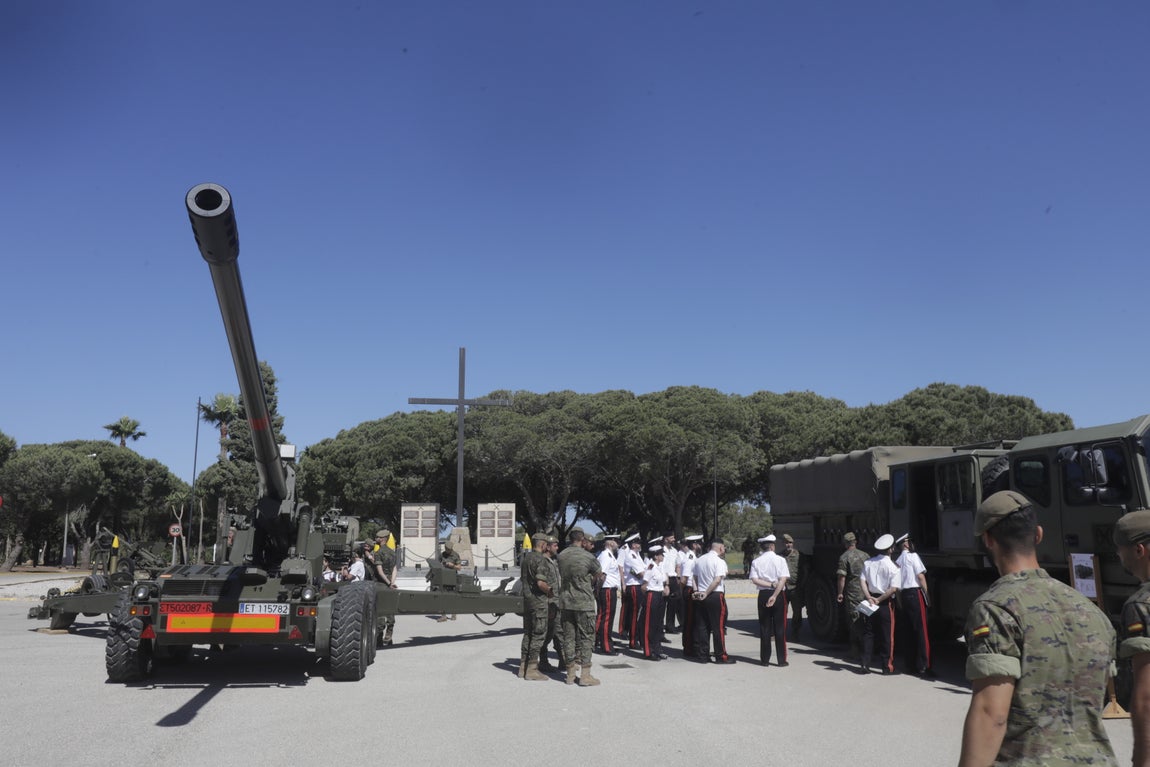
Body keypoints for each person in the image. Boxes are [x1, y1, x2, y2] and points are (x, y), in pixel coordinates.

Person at [958, 491, 1117, 766]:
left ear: (987, 540)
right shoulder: (1090, 610)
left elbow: (991, 714)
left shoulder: (995, 608)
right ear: (1039, 534)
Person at [1114, 510, 1150, 767]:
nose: (1118, 555)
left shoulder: (1141, 605)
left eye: (1121, 548)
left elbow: (1147, 696)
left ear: (1139, 550)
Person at [558, 530, 604, 685]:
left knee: (568, 638)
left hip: (565, 601)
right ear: (582, 540)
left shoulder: (561, 555)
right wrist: (588, 580)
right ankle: (585, 675)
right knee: (586, 637)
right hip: (584, 602)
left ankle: (570, 674)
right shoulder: (588, 557)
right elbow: (598, 574)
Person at [860, 534, 899, 675]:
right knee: (887, 635)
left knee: (868, 633)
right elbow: (893, 589)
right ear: (890, 549)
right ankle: (886, 667)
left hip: (870, 601)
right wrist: (880, 599)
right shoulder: (893, 566)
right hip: (885, 603)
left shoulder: (868, 562)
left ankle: (865, 664)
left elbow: (862, 581)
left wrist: (869, 597)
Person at [749, 534, 790, 667]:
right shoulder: (780, 560)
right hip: (778, 595)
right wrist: (775, 593)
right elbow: (783, 579)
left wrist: (770, 586)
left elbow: (755, 580)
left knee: (764, 627)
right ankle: (781, 659)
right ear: (772, 546)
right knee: (780, 627)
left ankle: (765, 659)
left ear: (763, 547)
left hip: (763, 594)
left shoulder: (756, 561)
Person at [894, 533, 932, 676]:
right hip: (915, 594)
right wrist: (927, 596)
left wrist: (899, 600)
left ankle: (909, 665)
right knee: (921, 631)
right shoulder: (913, 557)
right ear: (905, 544)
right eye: (909, 541)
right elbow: (921, 577)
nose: (911, 544)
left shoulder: (897, 561)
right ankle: (924, 665)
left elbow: (896, 585)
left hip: (904, 595)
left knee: (908, 631)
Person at [692, 540, 733, 664]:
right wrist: (707, 593)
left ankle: (703, 655)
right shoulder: (719, 561)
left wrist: (697, 591)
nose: (724, 549)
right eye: (724, 547)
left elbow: (694, 577)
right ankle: (721, 656)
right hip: (714, 595)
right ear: (720, 548)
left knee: (703, 627)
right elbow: (716, 580)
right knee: (718, 627)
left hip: (701, 594)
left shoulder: (699, 560)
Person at [519, 534, 553, 681]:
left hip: (527, 601)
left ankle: (523, 666)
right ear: (543, 544)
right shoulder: (540, 559)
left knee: (528, 634)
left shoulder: (526, 558)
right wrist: (550, 591)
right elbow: (540, 583)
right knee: (538, 635)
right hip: (538, 602)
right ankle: (532, 669)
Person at [836, 532, 868, 668]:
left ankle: (856, 651)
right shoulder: (865, 555)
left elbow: (842, 577)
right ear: (855, 542)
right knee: (866, 619)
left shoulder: (844, 557)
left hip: (852, 594)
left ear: (845, 543)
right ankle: (868, 648)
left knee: (854, 622)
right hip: (866, 592)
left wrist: (840, 593)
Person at [365, 529, 398, 647]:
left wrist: (388, 583)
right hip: (390, 583)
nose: (376, 539)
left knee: (379, 611)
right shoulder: (393, 552)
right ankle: (389, 636)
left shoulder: (378, 553)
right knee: (390, 610)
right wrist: (392, 582)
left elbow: (379, 571)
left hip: (381, 583)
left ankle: (378, 638)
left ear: (383, 539)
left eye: (378, 538)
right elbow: (394, 569)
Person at [538, 535, 566, 673]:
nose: (557, 548)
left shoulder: (554, 561)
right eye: (555, 545)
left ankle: (563, 661)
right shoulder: (543, 561)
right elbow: (541, 584)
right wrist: (549, 601)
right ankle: (543, 662)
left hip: (557, 603)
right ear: (547, 546)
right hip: (549, 604)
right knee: (546, 634)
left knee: (559, 632)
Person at [640, 545, 670, 660]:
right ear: (656, 556)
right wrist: (648, 597)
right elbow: (644, 586)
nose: (663, 556)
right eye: (661, 554)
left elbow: (664, 578)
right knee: (649, 625)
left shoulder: (660, 565)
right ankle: (648, 651)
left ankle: (657, 649)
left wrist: (666, 586)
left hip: (660, 595)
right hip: (651, 595)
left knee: (658, 625)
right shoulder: (651, 567)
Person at [595, 534, 622, 655]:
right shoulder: (606, 555)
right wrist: (597, 591)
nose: (618, 544)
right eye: (616, 541)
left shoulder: (610, 555)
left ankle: (602, 641)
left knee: (607, 617)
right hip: (606, 590)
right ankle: (606, 646)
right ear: (611, 542)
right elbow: (602, 575)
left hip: (609, 589)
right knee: (606, 618)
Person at [621, 535, 647, 649]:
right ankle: (633, 640)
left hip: (638, 585)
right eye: (638, 543)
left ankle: (637, 639)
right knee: (635, 615)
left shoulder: (637, 555)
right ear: (633, 544)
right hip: (634, 587)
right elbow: (642, 573)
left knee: (639, 615)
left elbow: (646, 569)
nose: (640, 545)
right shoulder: (631, 556)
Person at [680, 534, 703, 658]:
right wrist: (683, 592)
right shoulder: (689, 558)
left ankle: (693, 646)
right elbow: (684, 579)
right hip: (689, 590)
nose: (701, 546)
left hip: (692, 590)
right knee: (690, 621)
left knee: (694, 620)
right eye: (699, 544)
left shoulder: (693, 556)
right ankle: (689, 648)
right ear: (694, 545)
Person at [781, 534, 804, 640]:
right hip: (784, 588)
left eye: (790, 543)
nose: (788, 545)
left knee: (797, 612)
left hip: (796, 588)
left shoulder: (799, 555)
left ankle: (796, 632)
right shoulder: (780, 556)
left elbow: (805, 570)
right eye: (786, 543)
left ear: (793, 543)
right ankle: (781, 632)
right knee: (782, 611)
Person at [436, 539, 463, 622]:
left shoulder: (455, 555)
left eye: (449, 550)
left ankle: (453, 613)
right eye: (447, 549)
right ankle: (443, 616)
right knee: (442, 596)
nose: (448, 551)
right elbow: (437, 563)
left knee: (452, 596)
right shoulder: (442, 555)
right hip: (443, 578)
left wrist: (452, 565)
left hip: (452, 578)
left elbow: (459, 567)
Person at [661, 531, 681, 633]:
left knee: (673, 603)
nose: (673, 540)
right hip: (664, 578)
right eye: (671, 538)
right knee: (662, 604)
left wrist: (678, 578)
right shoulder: (661, 550)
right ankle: (659, 626)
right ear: (665, 539)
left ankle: (670, 626)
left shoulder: (674, 551)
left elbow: (678, 565)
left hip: (673, 578)